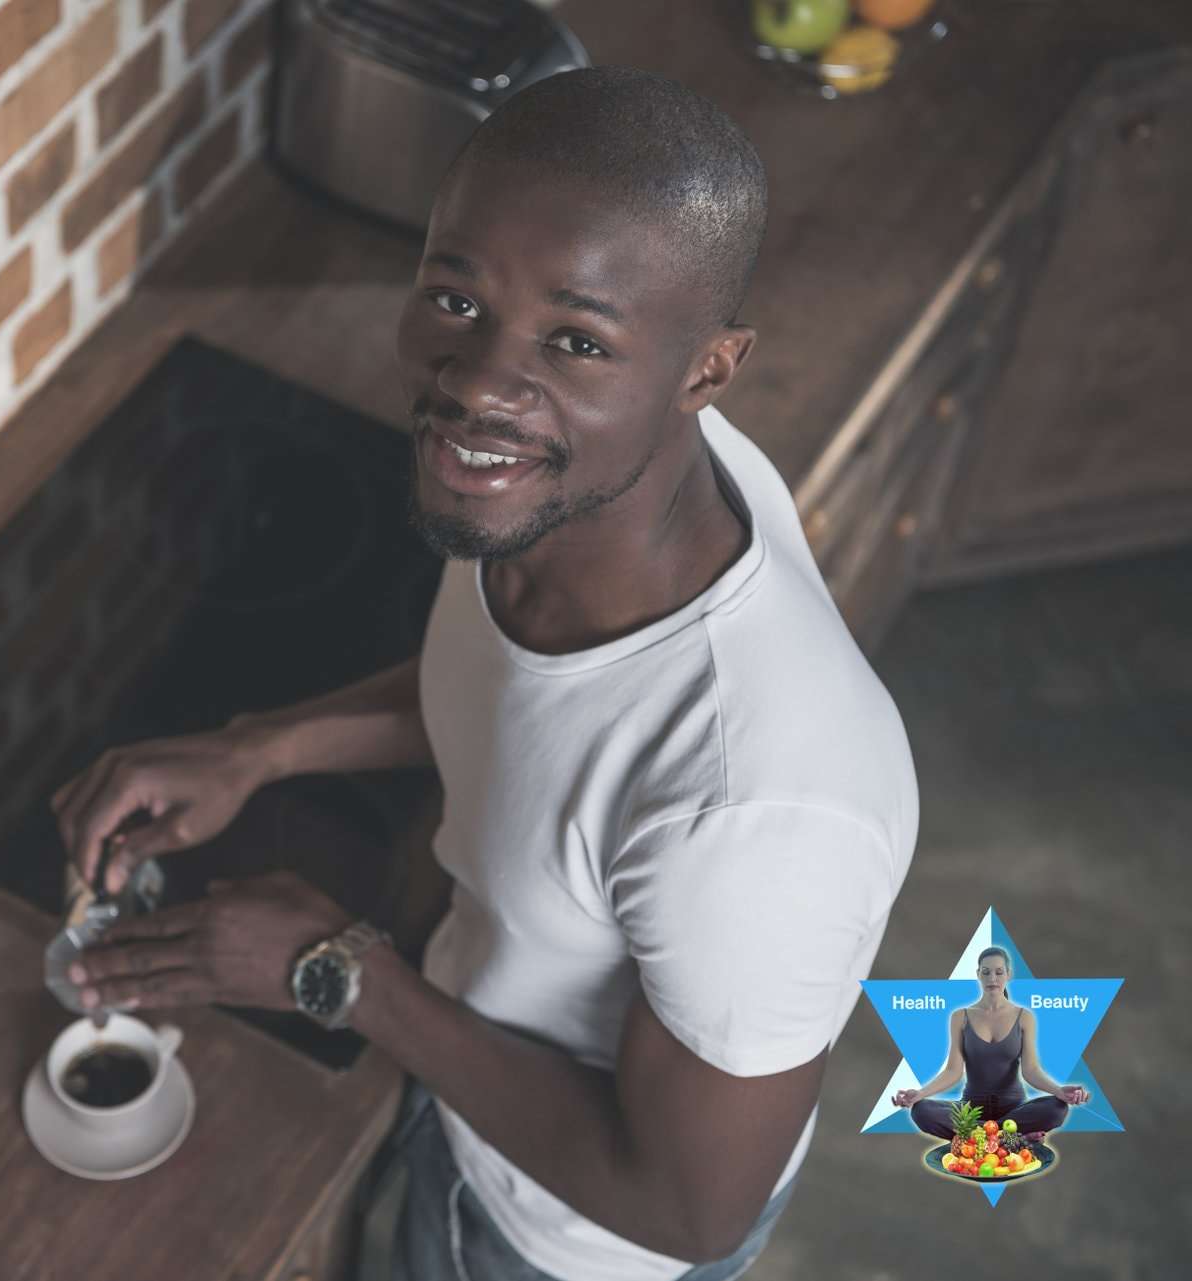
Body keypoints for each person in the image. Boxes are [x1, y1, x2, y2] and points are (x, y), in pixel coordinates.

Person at [50, 67, 919, 1281]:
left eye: (576, 340)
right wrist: (259, 746)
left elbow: (686, 1208)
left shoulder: (762, 809)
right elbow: (527, 699)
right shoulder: (568, 491)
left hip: (553, 1242)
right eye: (455, 299)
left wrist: (338, 977)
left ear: (706, 369)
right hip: (464, 1060)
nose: (476, 385)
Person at [892, 946, 1088, 1139]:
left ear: (1008, 974)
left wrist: (1059, 1091)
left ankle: (978, 1137)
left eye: (999, 972)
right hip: (971, 1110)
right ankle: (1010, 1138)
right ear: (978, 974)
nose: (992, 979)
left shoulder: (1024, 1016)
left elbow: (1031, 1070)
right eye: (985, 972)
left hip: (1014, 1110)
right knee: (922, 1111)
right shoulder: (960, 1016)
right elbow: (953, 1071)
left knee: (1056, 1109)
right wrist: (919, 1094)